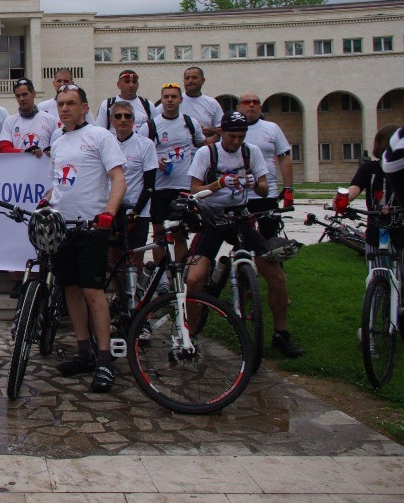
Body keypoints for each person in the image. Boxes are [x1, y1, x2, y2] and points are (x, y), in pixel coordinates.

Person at [185, 111, 304, 358]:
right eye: (232, 136)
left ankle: (281, 335)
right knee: (194, 278)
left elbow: (264, 189)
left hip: (240, 216)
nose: (237, 141)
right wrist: (219, 184)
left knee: (277, 277)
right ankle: (190, 336)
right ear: (222, 132)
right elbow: (194, 190)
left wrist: (253, 183)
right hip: (213, 218)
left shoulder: (252, 152)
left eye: (241, 136)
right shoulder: (207, 153)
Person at [43, 84, 126, 392]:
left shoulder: (100, 136)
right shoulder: (57, 142)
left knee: (93, 292)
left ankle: (104, 358)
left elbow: (118, 179)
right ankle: (84, 351)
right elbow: (60, 182)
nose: (64, 108)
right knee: (71, 289)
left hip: (92, 227)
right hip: (63, 227)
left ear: (84, 107)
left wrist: (109, 212)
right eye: (60, 104)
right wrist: (46, 199)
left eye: (71, 103)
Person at [148, 83, 204, 266]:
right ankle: (161, 277)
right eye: (166, 97)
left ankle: (180, 275)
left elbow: (202, 147)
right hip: (159, 188)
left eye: (173, 96)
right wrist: (156, 162)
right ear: (162, 100)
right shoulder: (151, 125)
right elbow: (142, 153)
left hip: (182, 187)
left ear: (180, 100)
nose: (170, 100)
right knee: (159, 235)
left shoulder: (190, 123)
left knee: (179, 235)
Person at [342, 125, 404, 269]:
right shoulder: (369, 168)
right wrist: (343, 198)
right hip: (375, 231)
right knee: (377, 273)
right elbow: (355, 187)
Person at [109, 101, 157, 264]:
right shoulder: (106, 144)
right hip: (112, 210)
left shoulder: (146, 145)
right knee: (113, 261)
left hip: (138, 211)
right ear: (111, 120)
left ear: (133, 120)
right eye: (118, 116)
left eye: (127, 116)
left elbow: (150, 185)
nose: (123, 119)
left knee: (135, 260)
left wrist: (135, 213)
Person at [0, 78, 58, 156]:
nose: (21, 99)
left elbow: (58, 147)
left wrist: (50, 151)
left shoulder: (50, 119)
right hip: (19, 164)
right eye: (18, 96)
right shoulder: (9, 121)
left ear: (34, 93)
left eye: (24, 94)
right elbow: (4, 148)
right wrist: (25, 152)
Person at [95, 69, 160, 133]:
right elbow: (99, 131)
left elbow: (156, 129)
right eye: (127, 82)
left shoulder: (148, 105)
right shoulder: (107, 104)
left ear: (138, 85)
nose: (131, 85)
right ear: (118, 84)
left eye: (134, 82)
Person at [179, 66, 223, 146]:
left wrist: (210, 131)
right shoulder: (175, 101)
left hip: (205, 148)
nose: (190, 81)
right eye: (187, 78)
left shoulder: (212, 103)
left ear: (203, 80)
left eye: (194, 78)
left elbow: (223, 128)